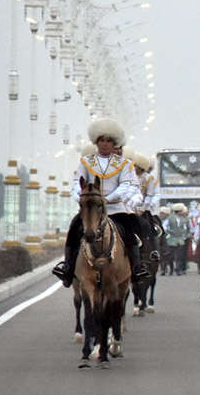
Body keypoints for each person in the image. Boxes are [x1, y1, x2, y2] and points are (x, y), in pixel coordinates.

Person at [53, 118, 150, 286]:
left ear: (114, 143)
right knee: (74, 229)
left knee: (130, 231)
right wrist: (81, 197)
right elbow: (77, 182)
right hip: (91, 209)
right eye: (102, 140)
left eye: (108, 141)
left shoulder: (124, 164)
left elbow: (125, 185)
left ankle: (137, 267)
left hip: (116, 208)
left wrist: (108, 198)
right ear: (96, 142)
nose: (105, 144)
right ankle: (68, 267)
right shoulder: (86, 162)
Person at [163, 203, 190, 275]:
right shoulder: (170, 218)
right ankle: (171, 269)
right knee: (171, 255)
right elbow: (164, 227)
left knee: (179, 255)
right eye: (181, 211)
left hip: (180, 239)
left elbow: (185, 227)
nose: (182, 212)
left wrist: (183, 232)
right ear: (178, 212)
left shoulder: (183, 219)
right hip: (171, 239)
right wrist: (169, 232)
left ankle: (178, 269)